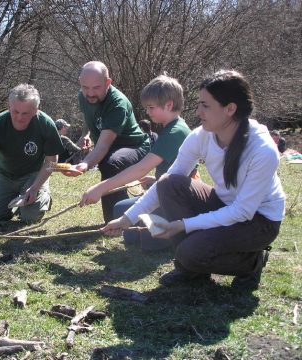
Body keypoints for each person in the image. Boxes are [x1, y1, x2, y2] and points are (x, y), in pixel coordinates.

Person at [102, 70, 285, 291]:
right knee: (169, 183)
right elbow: (166, 182)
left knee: (189, 252)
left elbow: (243, 211)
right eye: (199, 104)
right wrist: (127, 218)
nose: (198, 111)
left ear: (230, 109)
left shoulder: (262, 150)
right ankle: (192, 268)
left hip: (258, 221)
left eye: (205, 106)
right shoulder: (201, 136)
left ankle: (253, 262)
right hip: (225, 203)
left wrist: (184, 225)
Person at [80, 75, 191, 250]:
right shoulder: (174, 127)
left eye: (151, 107)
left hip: (176, 202)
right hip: (166, 192)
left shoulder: (174, 133)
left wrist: (100, 188)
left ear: (168, 105)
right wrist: (156, 181)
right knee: (119, 209)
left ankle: (174, 235)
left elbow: (140, 168)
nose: (147, 112)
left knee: (131, 230)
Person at [67, 61, 151, 222]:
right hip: (110, 148)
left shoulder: (117, 104)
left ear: (108, 83)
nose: (90, 93)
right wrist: (86, 134)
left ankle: (116, 221)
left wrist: (84, 165)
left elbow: (104, 146)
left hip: (134, 146)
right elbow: (89, 116)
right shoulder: (83, 96)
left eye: (96, 88)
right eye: (85, 87)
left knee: (111, 163)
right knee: (109, 161)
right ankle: (122, 212)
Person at [0, 84, 64, 223]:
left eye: (25, 113)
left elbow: (52, 161)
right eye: (15, 111)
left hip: (34, 175)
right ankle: (14, 203)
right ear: (9, 107)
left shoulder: (46, 125)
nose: (19, 117)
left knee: (30, 217)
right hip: (6, 175)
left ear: (36, 110)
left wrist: (35, 187)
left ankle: (42, 195)